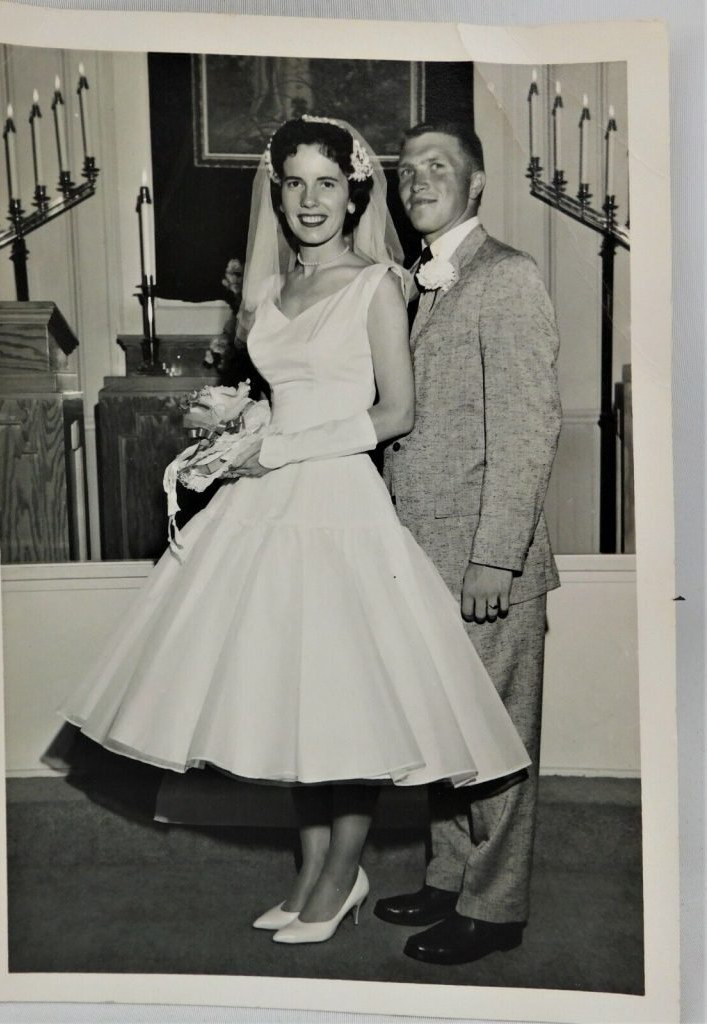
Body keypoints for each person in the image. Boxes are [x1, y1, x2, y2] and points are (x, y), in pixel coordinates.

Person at [59, 115, 530, 948]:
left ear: (355, 192)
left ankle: (342, 875)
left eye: (326, 182)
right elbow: (290, 387)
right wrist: (238, 426)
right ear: (276, 194)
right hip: (266, 507)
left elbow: (396, 411)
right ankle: (316, 876)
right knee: (293, 701)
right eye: (294, 183)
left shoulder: (378, 283)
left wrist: (275, 448)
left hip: (339, 505)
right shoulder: (270, 294)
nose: (310, 200)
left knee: (345, 706)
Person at [375, 121, 562, 965]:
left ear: (477, 185)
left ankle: (496, 906)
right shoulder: (416, 282)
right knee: (446, 726)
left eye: (439, 166)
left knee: (495, 734)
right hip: (421, 555)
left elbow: (527, 428)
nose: (419, 180)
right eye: (408, 169)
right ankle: (451, 876)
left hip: (486, 558)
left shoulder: (507, 277)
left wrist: (496, 555)